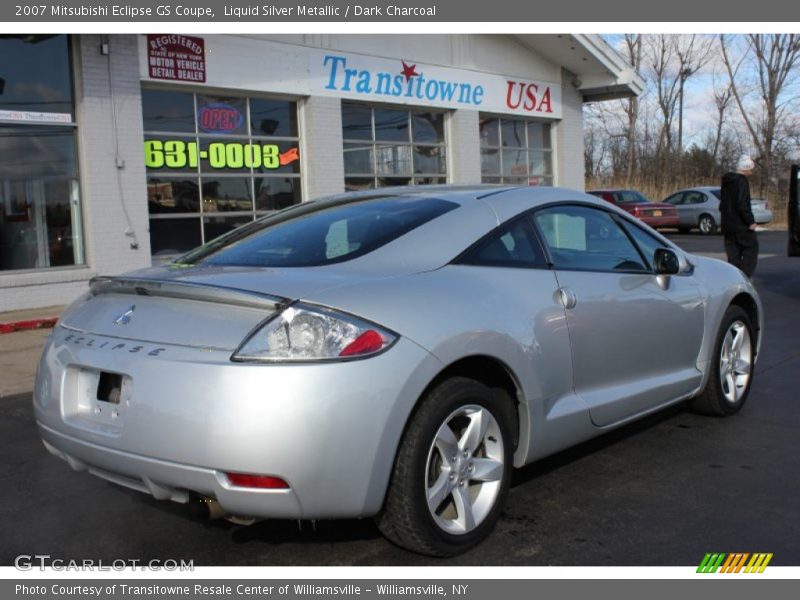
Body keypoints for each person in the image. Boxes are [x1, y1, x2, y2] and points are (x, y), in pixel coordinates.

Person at [720, 156, 759, 278]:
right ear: (745, 168)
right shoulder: (742, 181)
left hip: (728, 226)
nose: (751, 173)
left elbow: (723, 204)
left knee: (733, 254)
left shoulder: (727, 182)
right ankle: (744, 277)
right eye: (750, 170)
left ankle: (733, 277)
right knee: (751, 248)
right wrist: (750, 221)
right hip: (741, 225)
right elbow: (742, 204)